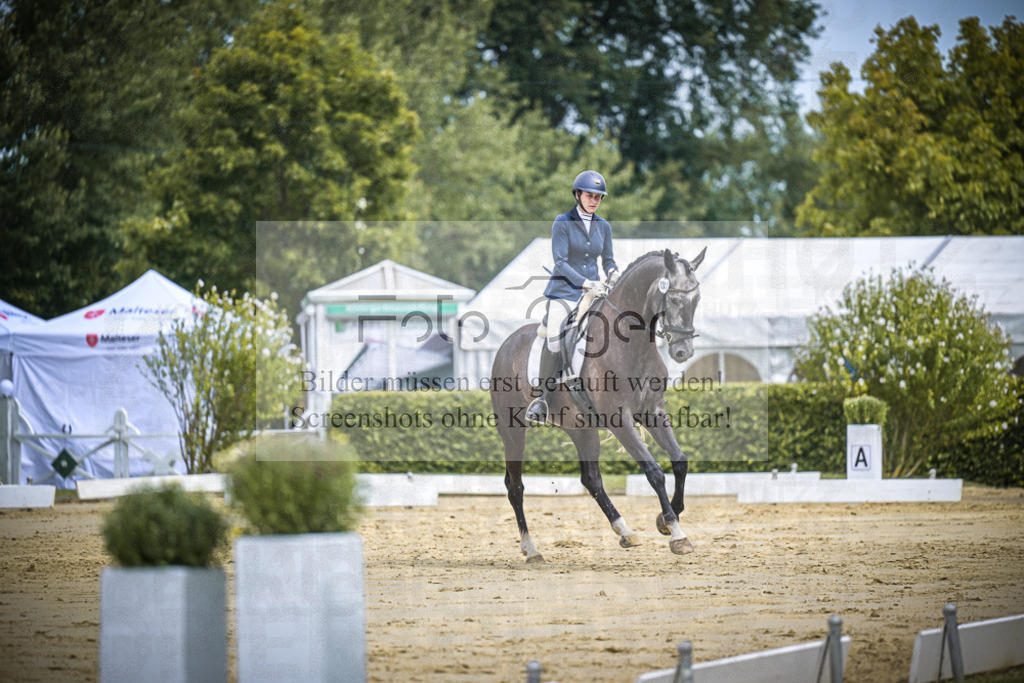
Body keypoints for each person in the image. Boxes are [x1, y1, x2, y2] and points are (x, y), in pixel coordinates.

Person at [526, 170, 620, 423]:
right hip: (565, 292)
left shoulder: (604, 226)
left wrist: (613, 273)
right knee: (556, 338)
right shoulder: (562, 222)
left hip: (594, 293)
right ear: (577, 195)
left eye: (598, 198)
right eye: (590, 196)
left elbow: (608, 259)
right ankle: (542, 399)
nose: (594, 201)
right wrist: (586, 282)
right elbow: (561, 262)